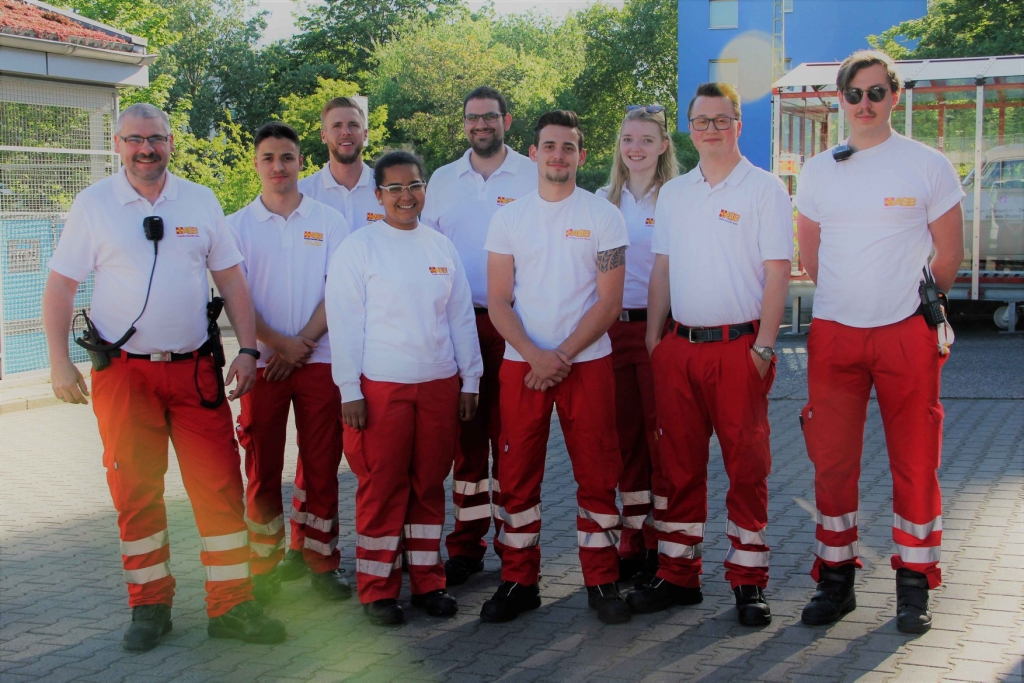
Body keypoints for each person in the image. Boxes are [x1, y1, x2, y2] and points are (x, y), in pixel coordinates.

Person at [41, 103, 285, 651]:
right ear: (118, 143)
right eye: (135, 139)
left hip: (195, 371)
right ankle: (149, 606)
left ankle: (232, 605)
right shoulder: (94, 204)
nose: (146, 149)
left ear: (172, 142)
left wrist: (248, 349)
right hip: (125, 378)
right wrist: (59, 360)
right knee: (136, 491)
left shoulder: (198, 200)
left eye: (156, 139)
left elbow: (232, 278)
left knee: (221, 487)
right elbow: (60, 287)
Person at [794, 50, 964, 634]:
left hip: (905, 335)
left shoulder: (927, 164)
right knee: (832, 464)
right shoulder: (818, 170)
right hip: (836, 335)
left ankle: (914, 587)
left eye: (875, 92)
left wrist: (909, 305)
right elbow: (810, 254)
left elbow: (949, 255)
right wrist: (852, 299)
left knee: (916, 463)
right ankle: (836, 581)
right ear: (840, 101)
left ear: (894, 96)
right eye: (853, 94)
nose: (864, 104)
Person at [629, 82, 792, 627]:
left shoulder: (764, 189)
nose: (711, 130)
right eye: (701, 121)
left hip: (738, 350)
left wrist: (765, 345)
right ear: (690, 129)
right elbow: (663, 270)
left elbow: (777, 272)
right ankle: (678, 576)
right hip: (679, 347)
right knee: (677, 468)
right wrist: (655, 339)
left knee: (747, 467)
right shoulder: (676, 193)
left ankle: (748, 582)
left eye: (721, 120)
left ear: (738, 125)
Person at [482, 110, 631, 625]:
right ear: (534, 154)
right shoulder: (509, 217)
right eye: (549, 146)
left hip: (585, 364)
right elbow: (498, 301)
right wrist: (536, 355)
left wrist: (560, 357)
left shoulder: (604, 216)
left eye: (568, 148)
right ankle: (518, 580)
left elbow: (609, 303)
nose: (558, 156)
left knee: (597, 470)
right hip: (522, 366)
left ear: (581, 156)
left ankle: (603, 578)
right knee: (517, 474)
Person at [325, 150, 483, 626]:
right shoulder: (359, 248)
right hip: (381, 388)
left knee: (429, 486)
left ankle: (428, 582)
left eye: (413, 186)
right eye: (394, 189)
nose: (405, 196)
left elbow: (460, 318)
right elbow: (345, 323)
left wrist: (470, 377)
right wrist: (348, 388)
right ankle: (377, 589)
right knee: (382, 486)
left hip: (438, 383)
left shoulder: (441, 247)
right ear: (378, 196)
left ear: (424, 190)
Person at [227, 122, 352, 605]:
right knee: (260, 468)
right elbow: (236, 297)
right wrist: (276, 344)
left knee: (322, 466)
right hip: (261, 364)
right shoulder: (235, 225)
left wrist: (300, 344)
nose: (278, 166)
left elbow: (336, 292)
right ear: (256, 164)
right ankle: (262, 564)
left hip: (319, 360)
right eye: (268, 158)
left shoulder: (329, 221)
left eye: (287, 157)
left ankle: (321, 561)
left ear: (302, 161)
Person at [420, 86, 538, 586]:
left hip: (517, 325)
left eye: (490, 117)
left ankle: (516, 549)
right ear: (464, 123)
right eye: (472, 118)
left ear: (507, 121)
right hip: (460, 323)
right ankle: (466, 546)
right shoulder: (443, 180)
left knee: (511, 439)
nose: (481, 125)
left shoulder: (534, 176)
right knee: (466, 441)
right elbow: (424, 251)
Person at [284, 96, 381, 580]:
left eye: (354, 125)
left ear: (366, 132)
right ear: (322, 135)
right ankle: (304, 548)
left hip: (377, 347)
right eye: (336, 125)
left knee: (369, 457)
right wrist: (299, 342)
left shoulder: (386, 192)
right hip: (316, 351)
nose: (346, 132)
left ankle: (384, 554)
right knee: (315, 456)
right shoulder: (301, 193)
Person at [596, 105, 679, 588]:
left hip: (662, 331)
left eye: (646, 139)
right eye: (628, 139)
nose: (636, 148)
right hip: (613, 331)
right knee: (625, 439)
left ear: (664, 145)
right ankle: (632, 538)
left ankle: (664, 542)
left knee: (662, 439)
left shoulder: (679, 199)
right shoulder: (601, 202)